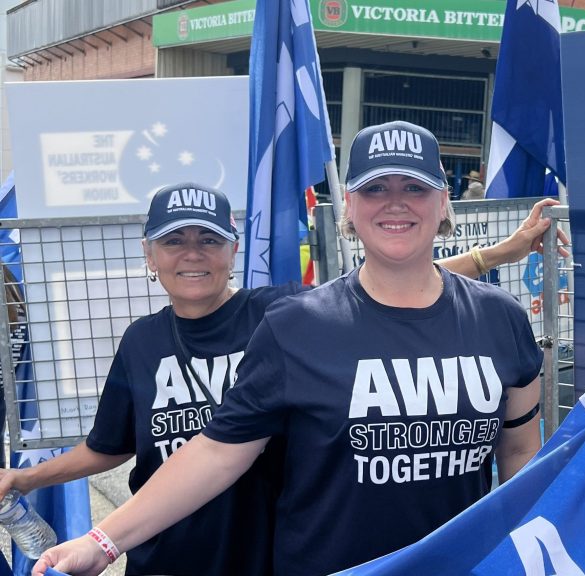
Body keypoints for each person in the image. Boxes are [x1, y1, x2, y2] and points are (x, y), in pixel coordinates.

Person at [33, 120, 546, 575]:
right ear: (350, 206)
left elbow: (521, 450)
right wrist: (103, 542)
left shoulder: (501, 319)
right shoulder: (297, 326)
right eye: (374, 188)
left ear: (443, 203)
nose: (395, 202)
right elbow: (215, 453)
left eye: (415, 186)